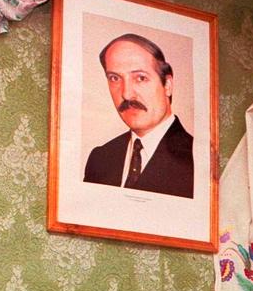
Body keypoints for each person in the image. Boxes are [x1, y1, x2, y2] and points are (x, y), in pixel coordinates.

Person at [83, 33, 194, 198]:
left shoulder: (196, 159)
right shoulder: (100, 159)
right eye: (114, 78)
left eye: (140, 78)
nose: (127, 94)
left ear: (168, 85)